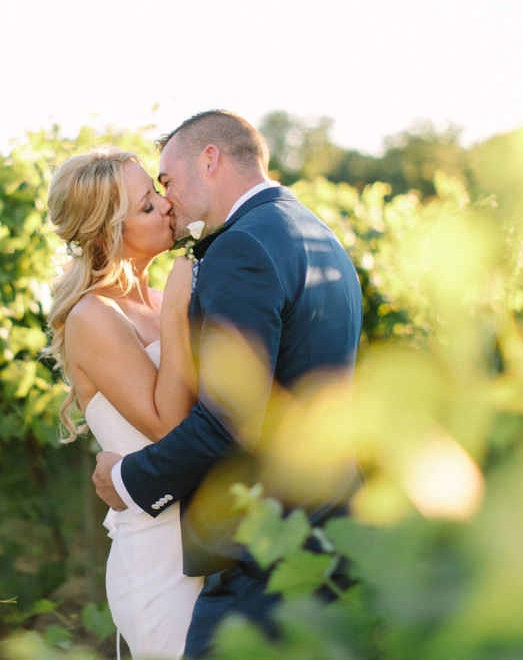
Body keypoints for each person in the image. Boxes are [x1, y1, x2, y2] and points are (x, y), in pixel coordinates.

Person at [92, 110, 363, 657]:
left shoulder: (242, 248)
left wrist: (127, 482)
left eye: (166, 181)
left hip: (266, 556)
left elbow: (229, 422)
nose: (168, 201)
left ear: (210, 159)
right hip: (331, 532)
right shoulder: (316, 232)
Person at [45, 148, 203, 658]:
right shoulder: (93, 315)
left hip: (209, 539)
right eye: (146, 206)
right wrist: (180, 306)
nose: (165, 205)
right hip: (160, 557)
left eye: (156, 192)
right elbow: (169, 426)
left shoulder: (158, 300)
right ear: (105, 232)